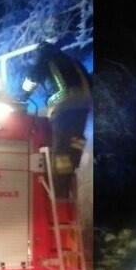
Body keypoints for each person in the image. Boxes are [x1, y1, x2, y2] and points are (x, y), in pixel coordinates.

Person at [21, 42, 92, 194]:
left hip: (64, 103)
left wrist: (21, 96)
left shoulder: (45, 59)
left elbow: (32, 79)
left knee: (60, 145)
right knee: (76, 140)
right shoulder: (72, 61)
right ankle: (70, 171)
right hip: (85, 104)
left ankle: (58, 186)